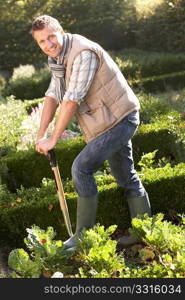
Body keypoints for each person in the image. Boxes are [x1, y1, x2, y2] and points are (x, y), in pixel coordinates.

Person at [31, 15, 151, 251]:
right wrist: (41, 133)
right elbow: (53, 94)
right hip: (107, 121)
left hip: (121, 118)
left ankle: (82, 237)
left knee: (81, 168)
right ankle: (145, 232)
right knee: (126, 176)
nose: (48, 44)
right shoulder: (56, 59)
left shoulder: (82, 52)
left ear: (61, 32)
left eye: (51, 37)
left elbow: (72, 99)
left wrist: (54, 138)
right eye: (42, 41)